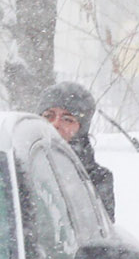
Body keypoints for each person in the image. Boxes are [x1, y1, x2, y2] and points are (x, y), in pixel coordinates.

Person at [37, 82, 115, 221]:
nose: (55, 124)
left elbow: (99, 236)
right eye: (48, 116)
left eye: (67, 119)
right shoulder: (17, 167)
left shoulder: (97, 180)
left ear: (81, 128)